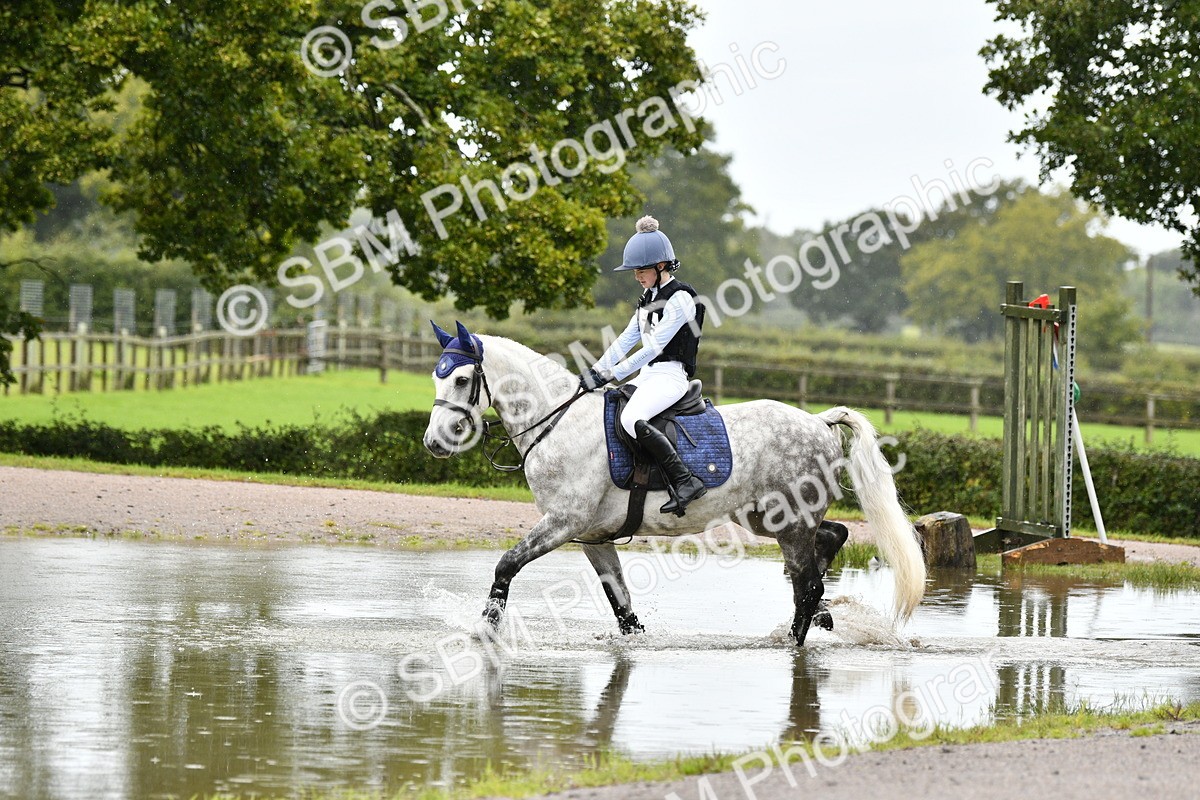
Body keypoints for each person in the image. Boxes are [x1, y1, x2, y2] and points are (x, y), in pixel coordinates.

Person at [578, 216, 707, 516]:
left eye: (642, 270)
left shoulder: (681, 299)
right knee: (608, 407)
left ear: (661, 266)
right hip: (648, 376)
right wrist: (596, 370)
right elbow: (626, 339)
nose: (636, 276)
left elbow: (653, 348)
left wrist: (614, 374)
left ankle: (685, 480)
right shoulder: (647, 299)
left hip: (671, 376)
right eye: (635, 271)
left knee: (631, 417)